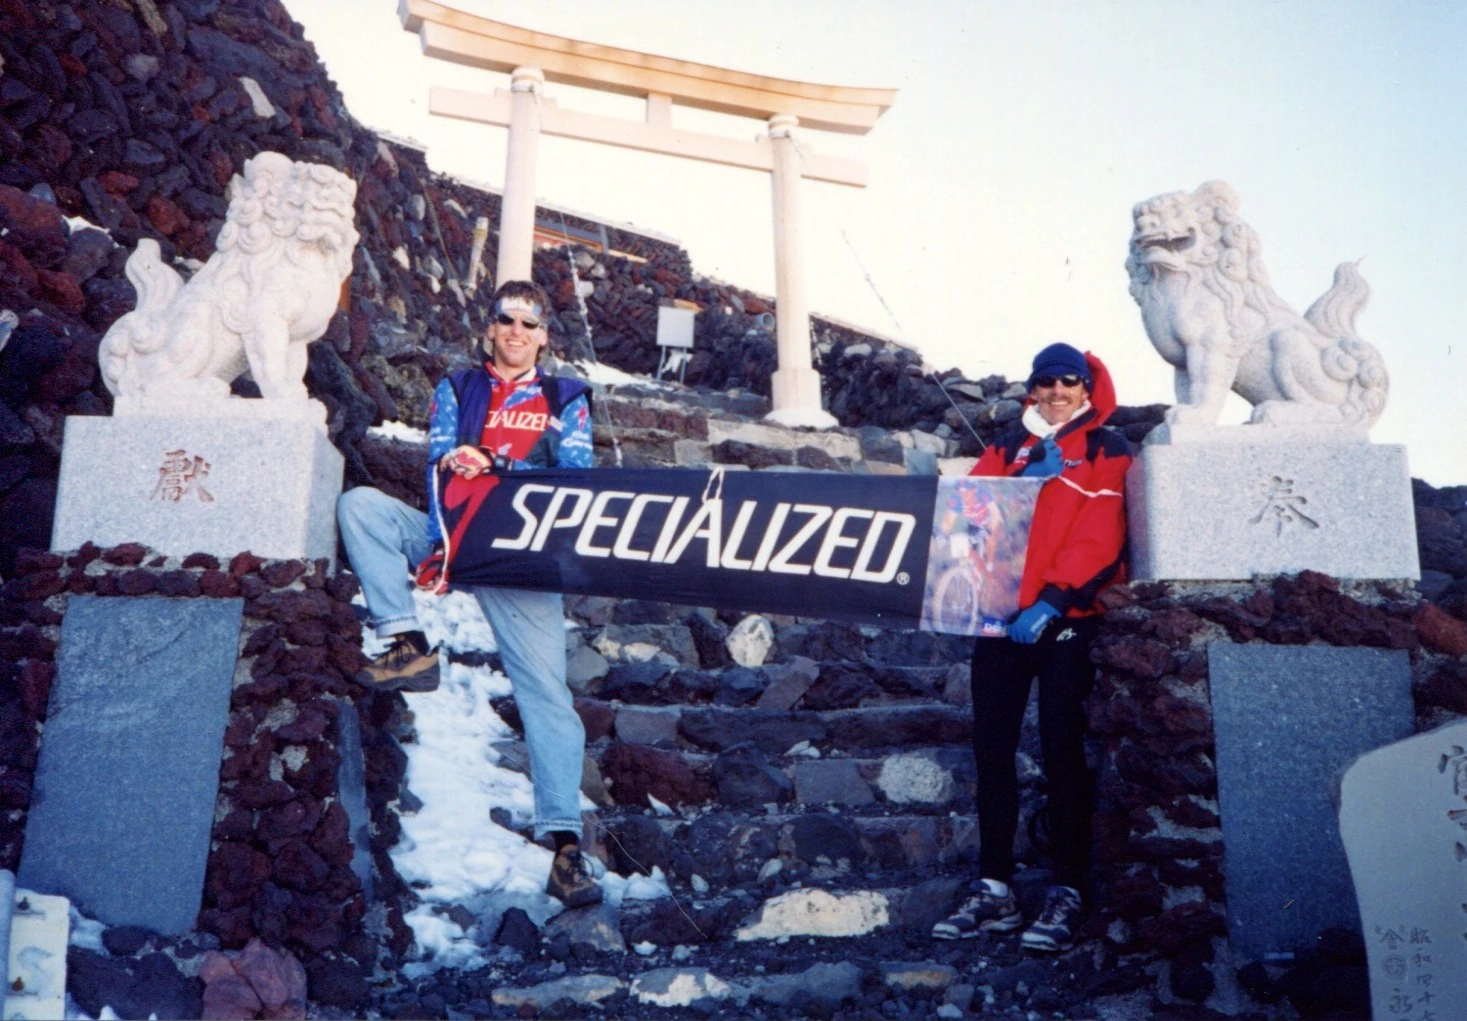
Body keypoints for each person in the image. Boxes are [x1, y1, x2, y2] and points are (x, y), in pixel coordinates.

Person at [336, 279, 602, 908]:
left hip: (522, 559)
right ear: (490, 329)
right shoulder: (457, 387)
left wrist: (502, 467)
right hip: (453, 535)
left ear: (544, 336)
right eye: (506, 320)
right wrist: (441, 549)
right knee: (362, 508)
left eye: (529, 324)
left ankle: (565, 847)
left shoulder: (566, 396)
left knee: (547, 697)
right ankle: (405, 640)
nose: (517, 332)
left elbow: (578, 479)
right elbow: (437, 463)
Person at [933, 342, 1131, 952]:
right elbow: (962, 517)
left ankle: (1068, 887)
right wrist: (1022, 477)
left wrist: (1054, 598)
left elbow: (1101, 535)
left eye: (1067, 381)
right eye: (1044, 383)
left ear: (1087, 387)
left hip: (1064, 619)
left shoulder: (1105, 446)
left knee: (1060, 749)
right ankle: (994, 887)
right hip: (1000, 621)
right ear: (1033, 391)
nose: (1055, 392)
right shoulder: (1005, 447)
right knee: (992, 750)